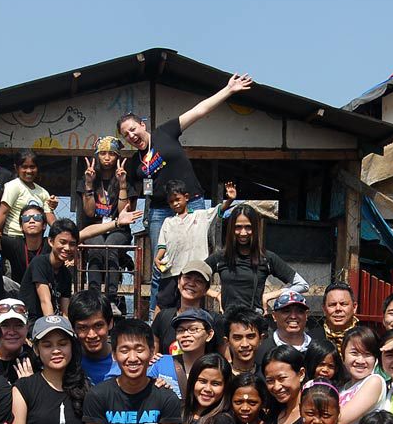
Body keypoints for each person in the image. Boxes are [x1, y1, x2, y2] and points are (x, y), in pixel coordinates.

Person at [116, 73, 253, 307]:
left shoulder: (165, 132)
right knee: (161, 266)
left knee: (196, 263)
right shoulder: (133, 164)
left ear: (142, 125)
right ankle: (158, 316)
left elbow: (199, 110)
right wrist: (121, 185)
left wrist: (229, 90)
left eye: (132, 129)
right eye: (126, 134)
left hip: (193, 204)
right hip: (160, 212)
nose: (131, 135)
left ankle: (198, 313)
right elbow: (127, 203)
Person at [208, 204, 309, 314]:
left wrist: (269, 296)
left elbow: (302, 285)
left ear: (255, 228)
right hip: (228, 321)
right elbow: (193, 278)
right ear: (231, 229)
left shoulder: (266, 258)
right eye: (238, 227)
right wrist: (216, 295)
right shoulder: (221, 257)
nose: (243, 232)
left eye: (248, 227)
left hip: (255, 321)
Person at [153, 181, 236, 311]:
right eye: (171, 202)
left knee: (192, 303)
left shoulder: (201, 216)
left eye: (177, 199)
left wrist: (230, 199)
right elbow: (162, 246)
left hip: (193, 271)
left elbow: (220, 209)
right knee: (163, 304)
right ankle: (156, 324)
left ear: (186, 197)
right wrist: (157, 258)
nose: (175, 204)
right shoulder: (168, 222)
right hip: (172, 271)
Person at [76, 136, 134, 307]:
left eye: (112, 153)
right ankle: (93, 298)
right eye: (103, 153)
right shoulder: (88, 178)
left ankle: (111, 299)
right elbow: (89, 211)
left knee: (110, 247)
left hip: (118, 229)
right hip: (94, 228)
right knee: (96, 248)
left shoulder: (126, 179)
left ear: (118, 156)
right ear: (97, 155)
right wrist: (88, 184)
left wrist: (122, 184)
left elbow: (124, 213)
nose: (107, 157)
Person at [150, 259, 220, 354]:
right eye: (187, 278)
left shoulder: (214, 320)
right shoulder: (163, 317)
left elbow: (225, 359)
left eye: (198, 281)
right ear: (179, 282)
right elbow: (152, 355)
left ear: (206, 289)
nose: (191, 283)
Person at [148, 307, 216, 400]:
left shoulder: (216, 368)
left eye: (193, 329)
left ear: (209, 335)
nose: (185, 334)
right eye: (180, 330)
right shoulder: (160, 363)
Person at [21, 218, 77, 322]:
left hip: (52, 321)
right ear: (51, 242)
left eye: (72, 244)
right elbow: (45, 302)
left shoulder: (66, 274)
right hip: (32, 322)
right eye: (63, 242)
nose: (67, 248)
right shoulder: (39, 263)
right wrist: (53, 328)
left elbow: (65, 312)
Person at [260, 345, 306, 424]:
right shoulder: (272, 413)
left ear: (301, 374)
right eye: (270, 381)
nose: (276, 387)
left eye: (282, 378)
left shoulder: (312, 415)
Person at [337, 326, 393, 424]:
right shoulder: (342, 387)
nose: (360, 361)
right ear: (343, 355)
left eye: (367, 354)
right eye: (354, 353)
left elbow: (340, 420)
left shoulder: (374, 381)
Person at [0, 149, 55, 240]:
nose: (29, 171)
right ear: (16, 168)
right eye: (24, 167)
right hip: (14, 237)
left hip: (35, 239)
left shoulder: (43, 192)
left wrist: (63, 232)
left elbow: (50, 217)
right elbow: (3, 213)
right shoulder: (13, 186)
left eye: (32, 167)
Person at [69, 289, 122, 385]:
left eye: (98, 326)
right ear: (73, 328)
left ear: (110, 323)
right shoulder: (67, 363)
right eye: (83, 328)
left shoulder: (127, 363)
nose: (91, 335)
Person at [0, 298, 33, 382]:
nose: (12, 332)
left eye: (18, 325)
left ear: (27, 327)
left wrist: (31, 385)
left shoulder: (37, 360)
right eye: (5, 326)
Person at [263, 290, 313, 355]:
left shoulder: (318, 349)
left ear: (306, 315)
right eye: (286, 311)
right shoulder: (263, 350)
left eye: (300, 311)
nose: (293, 316)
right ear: (275, 316)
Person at [223, 307, 267, 376]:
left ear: (260, 339)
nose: (245, 344)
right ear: (227, 341)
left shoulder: (268, 376)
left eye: (250, 337)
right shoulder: (220, 377)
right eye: (237, 338)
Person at [320, 283, 358, 349]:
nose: (338, 309)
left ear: (354, 307)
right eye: (332, 304)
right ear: (324, 309)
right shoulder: (310, 340)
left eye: (343, 304)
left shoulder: (367, 339)